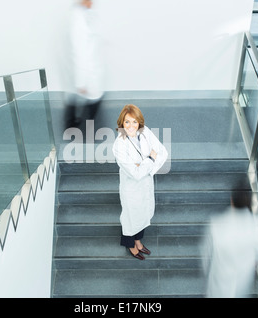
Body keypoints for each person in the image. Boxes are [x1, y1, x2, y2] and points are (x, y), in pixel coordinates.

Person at [112, 104, 167, 260]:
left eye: (134, 122)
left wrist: (144, 166)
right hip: (131, 188)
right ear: (121, 123)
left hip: (145, 185)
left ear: (139, 123)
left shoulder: (145, 132)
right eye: (127, 122)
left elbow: (162, 152)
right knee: (130, 217)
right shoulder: (119, 146)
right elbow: (135, 173)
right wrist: (150, 159)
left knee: (143, 215)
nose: (131, 126)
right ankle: (130, 245)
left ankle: (138, 241)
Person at [202, 180, 258, 297]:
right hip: (242, 282)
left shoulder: (216, 224)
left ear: (231, 200)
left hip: (219, 283)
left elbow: (205, 256)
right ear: (250, 202)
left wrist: (206, 272)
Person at [64, 0, 104, 130]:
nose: (93, 2)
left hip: (89, 70)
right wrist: (80, 82)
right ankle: (79, 131)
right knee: (93, 100)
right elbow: (79, 52)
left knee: (86, 101)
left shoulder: (84, 14)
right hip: (86, 72)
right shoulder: (78, 20)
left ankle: (75, 126)